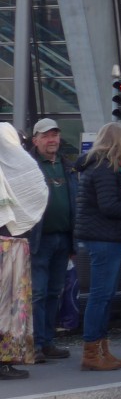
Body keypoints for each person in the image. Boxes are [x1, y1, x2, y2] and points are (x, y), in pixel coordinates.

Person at [75, 121, 121, 371]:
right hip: (104, 238)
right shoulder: (104, 168)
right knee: (101, 296)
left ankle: (101, 349)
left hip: (103, 236)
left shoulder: (98, 166)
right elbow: (109, 206)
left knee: (105, 295)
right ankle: (92, 352)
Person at [0, 123, 49, 380]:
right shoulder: (14, 167)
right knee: (8, 306)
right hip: (10, 248)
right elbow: (36, 191)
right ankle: (4, 361)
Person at [28, 117, 77, 364]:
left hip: (62, 238)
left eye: (55, 135)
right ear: (35, 139)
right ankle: (35, 344)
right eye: (47, 136)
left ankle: (47, 342)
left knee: (54, 293)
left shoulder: (66, 166)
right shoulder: (28, 165)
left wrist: (73, 240)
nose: (52, 140)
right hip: (38, 240)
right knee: (37, 293)